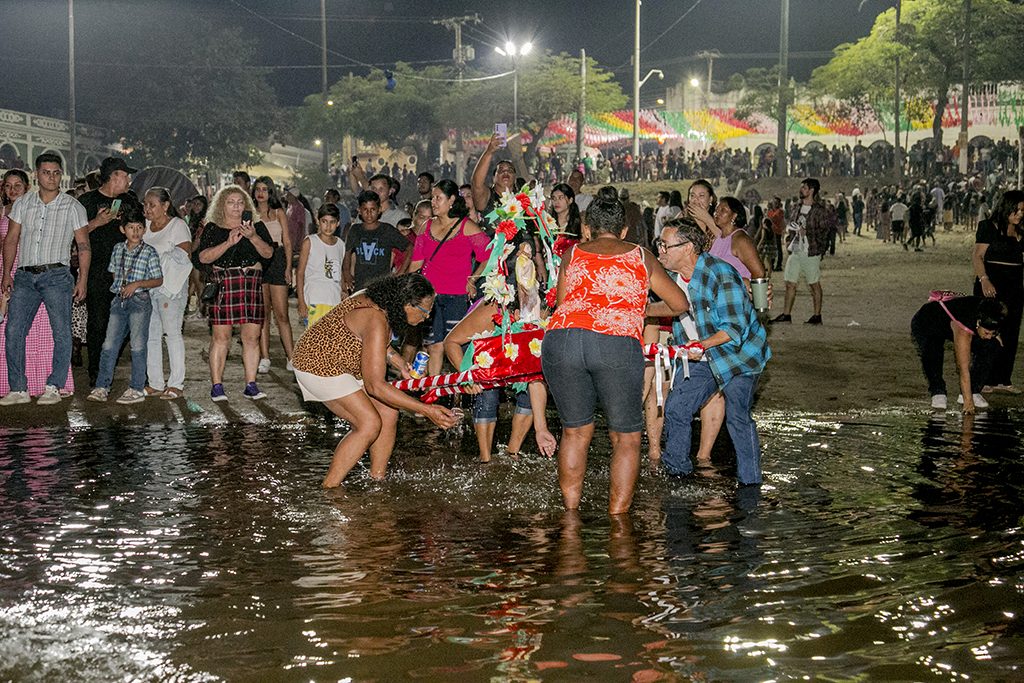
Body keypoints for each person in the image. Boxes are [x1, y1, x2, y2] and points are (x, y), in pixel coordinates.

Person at [542, 187, 688, 515]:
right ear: (624, 230)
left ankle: (570, 517)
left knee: (575, 431)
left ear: (588, 229)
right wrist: (636, 309)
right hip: (614, 342)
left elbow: (564, 304)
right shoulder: (640, 255)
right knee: (626, 437)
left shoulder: (573, 253)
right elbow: (679, 303)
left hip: (562, 340)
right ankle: (618, 523)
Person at [291, 273, 458, 486]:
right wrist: (427, 410)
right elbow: (375, 386)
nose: (426, 318)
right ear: (407, 304)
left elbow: (373, 342)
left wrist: (399, 362)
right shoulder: (376, 319)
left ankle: (376, 479)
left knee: (388, 412)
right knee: (368, 423)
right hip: (318, 364)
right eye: (425, 312)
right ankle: (330, 488)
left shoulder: (381, 301)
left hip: (344, 359)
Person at [650, 217, 771, 486]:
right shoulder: (668, 278)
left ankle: (751, 485)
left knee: (738, 417)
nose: (660, 250)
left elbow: (733, 329)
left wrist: (699, 346)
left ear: (688, 247)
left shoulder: (721, 274)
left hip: (738, 356)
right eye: (660, 244)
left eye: (665, 245)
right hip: (699, 356)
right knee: (676, 409)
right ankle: (678, 477)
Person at [1, 155, 90, 405]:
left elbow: (83, 245)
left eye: (56, 172)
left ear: (61, 175)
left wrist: (82, 279)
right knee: (14, 330)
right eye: (47, 172)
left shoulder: (73, 206)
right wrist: (6, 273)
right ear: (37, 174)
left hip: (57, 275)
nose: (52, 177)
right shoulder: (23, 204)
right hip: (25, 275)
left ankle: (54, 385)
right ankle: (18, 388)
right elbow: (11, 239)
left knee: (61, 332)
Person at [197, 185, 275, 401]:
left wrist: (252, 237)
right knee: (221, 338)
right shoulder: (213, 227)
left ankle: (251, 385)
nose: (236, 207)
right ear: (222, 204)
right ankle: (217, 386)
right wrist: (228, 242)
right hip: (225, 282)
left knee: (252, 337)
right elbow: (202, 257)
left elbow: (269, 253)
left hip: (251, 282)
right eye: (231, 202)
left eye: (241, 202)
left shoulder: (256, 226)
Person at [409, 179, 490, 376]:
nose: (433, 202)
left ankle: (457, 397)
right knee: (433, 347)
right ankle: (433, 396)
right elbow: (415, 264)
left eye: (439, 198)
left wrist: (473, 279)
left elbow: (489, 256)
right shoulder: (426, 227)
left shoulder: (466, 226)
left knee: (454, 346)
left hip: (456, 296)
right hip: (429, 298)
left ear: (452, 200)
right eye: (433, 197)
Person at [87, 205, 163, 404]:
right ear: (123, 229)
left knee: (137, 346)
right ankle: (102, 386)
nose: (135, 232)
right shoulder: (117, 249)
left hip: (140, 301)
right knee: (109, 344)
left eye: (139, 227)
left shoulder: (149, 252)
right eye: (131, 227)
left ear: (144, 229)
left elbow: (158, 280)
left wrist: (137, 284)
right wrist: (123, 286)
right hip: (118, 301)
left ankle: (136, 388)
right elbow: (114, 272)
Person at [78, 156, 137, 387]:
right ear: (113, 177)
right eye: (125, 175)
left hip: (125, 272)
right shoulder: (87, 201)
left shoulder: (129, 201)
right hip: (97, 271)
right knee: (98, 322)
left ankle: (109, 362)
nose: (128, 180)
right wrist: (96, 222)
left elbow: (139, 229)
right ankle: (96, 371)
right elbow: (74, 234)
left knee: (126, 323)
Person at [911, 296, 1006, 412]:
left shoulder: (992, 313)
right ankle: (938, 391)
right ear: (978, 323)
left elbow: (993, 327)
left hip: (955, 322)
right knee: (932, 352)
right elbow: (963, 367)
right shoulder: (965, 325)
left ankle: (974, 390)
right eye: (986, 332)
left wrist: (995, 334)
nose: (989, 336)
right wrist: (968, 402)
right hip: (929, 322)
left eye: (993, 333)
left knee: (992, 345)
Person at [141, 186, 192, 399]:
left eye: (152, 205)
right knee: (151, 336)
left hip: (171, 288)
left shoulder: (177, 226)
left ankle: (176, 384)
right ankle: (155, 382)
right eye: (145, 204)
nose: (147, 209)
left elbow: (184, 256)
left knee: (171, 334)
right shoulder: (143, 227)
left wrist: (155, 262)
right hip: (148, 288)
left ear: (165, 206)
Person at [972, 189, 1024, 393]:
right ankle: (984, 378)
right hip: (991, 284)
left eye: (1022, 210)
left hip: (1014, 287)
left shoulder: (1022, 231)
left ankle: (1003, 379)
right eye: (1016, 210)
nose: (1020, 214)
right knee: (989, 330)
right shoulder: (987, 227)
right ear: (1005, 209)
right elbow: (978, 257)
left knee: (1011, 331)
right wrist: (984, 280)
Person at [250, 177, 294, 375]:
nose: (261, 193)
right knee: (263, 315)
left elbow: (288, 241)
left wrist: (287, 267)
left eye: (265, 189)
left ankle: (291, 357)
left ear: (271, 192)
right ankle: (265, 357)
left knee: (282, 314)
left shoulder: (278, 213)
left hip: (277, 259)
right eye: (258, 189)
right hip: (258, 261)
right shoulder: (250, 215)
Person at [772, 179, 829, 325]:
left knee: (813, 283)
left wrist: (808, 233)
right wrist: (789, 239)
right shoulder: (796, 208)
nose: (801, 189)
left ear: (811, 190)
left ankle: (817, 315)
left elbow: (824, 231)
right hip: (796, 250)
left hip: (811, 251)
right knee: (790, 283)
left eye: (804, 187)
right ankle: (786, 314)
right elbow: (792, 224)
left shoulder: (819, 210)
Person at [343, 190, 412, 294]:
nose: (369, 214)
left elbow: (410, 248)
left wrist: (400, 273)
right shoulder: (355, 230)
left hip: (382, 287)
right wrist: (347, 274)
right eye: (365, 210)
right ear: (359, 211)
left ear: (379, 210)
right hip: (360, 286)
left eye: (373, 209)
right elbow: (347, 252)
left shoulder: (387, 230)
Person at [296, 203, 345, 328]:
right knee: (315, 341)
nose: (328, 226)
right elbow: (300, 272)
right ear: (318, 221)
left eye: (332, 222)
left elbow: (340, 270)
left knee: (331, 342)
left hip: (334, 300)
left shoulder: (340, 244)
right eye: (324, 221)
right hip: (314, 299)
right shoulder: (310, 242)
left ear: (338, 223)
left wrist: (343, 289)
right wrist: (301, 301)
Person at [708, 197, 765, 284]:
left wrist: (744, 287)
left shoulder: (741, 240)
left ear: (734, 215)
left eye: (723, 210)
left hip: (735, 293)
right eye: (716, 210)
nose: (717, 213)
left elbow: (759, 273)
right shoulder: (718, 238)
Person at [470, 134, 518, 230]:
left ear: (515, 179)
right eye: (500, 170)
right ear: (494, 179)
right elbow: (476, 184)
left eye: (510, 170)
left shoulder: (522, 200)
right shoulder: (487, 197)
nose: (505, 172)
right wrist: (489, 152)